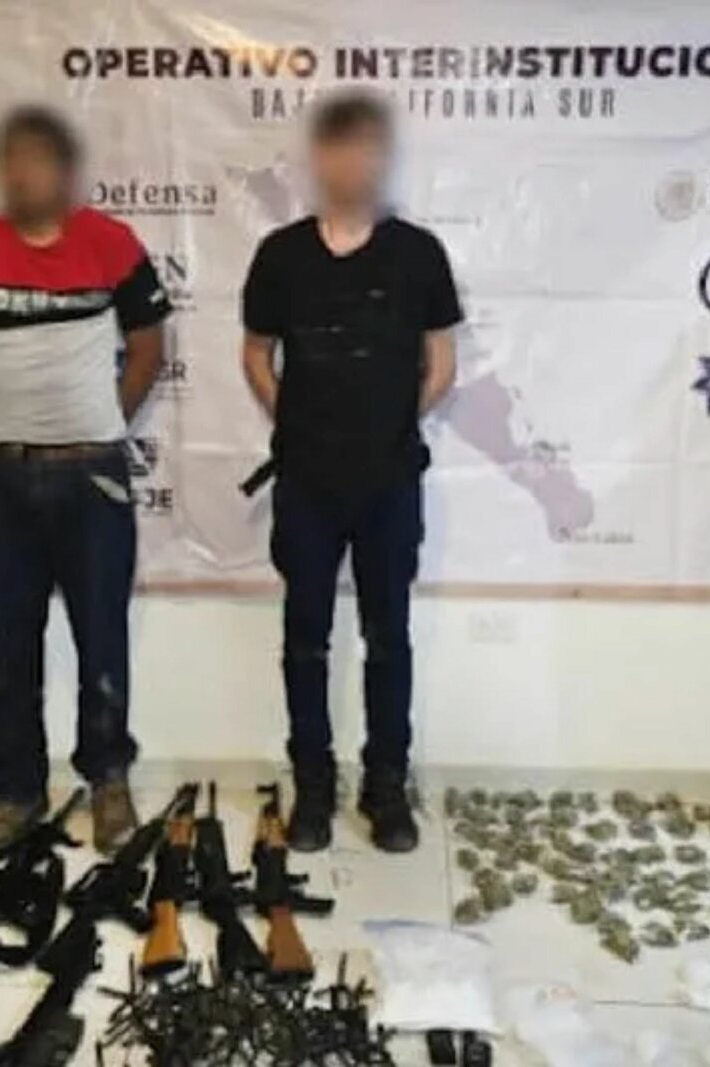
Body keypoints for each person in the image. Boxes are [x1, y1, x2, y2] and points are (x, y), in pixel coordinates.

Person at [0, 107, 169, 856]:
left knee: (101, 639)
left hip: (90, 476)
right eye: (11, 160)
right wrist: (7, 413)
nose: (23, 174)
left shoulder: (111, 243)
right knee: (11, 644)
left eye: (38, 160)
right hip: (2, 479)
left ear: (65, 171)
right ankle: (15, 790)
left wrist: (103, 421)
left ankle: (108, 782)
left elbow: (148, 346)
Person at [240, 91, 460, 854]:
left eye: (366, 147)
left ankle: (385, 787)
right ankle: (313, 786)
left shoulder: (418, 254)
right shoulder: (281, 255)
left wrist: (388, 421)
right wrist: (297, 420)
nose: (351, 162)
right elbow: (255, 354)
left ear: (382, 158)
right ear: (317, 160)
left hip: (389, 482)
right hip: (306, 484)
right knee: (305, 638)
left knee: (387, 637)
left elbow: (441, 362)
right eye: (337, 148)